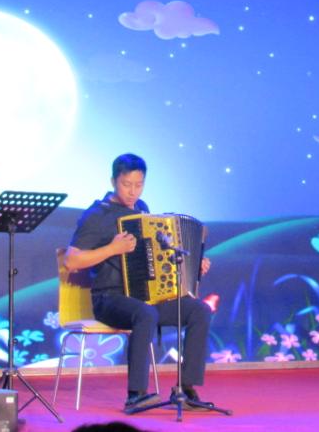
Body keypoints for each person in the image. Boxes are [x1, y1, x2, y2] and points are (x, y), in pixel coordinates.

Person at [65, 153, 213, 414]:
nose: (133, 191)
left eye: (139, 184)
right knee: (145, 313)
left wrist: (193, 262)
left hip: (144, 296)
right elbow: (71, 260)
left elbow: (155, 256)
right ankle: (136, 395)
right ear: (113, 181)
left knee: (198, 310)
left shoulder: (142, 209)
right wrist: (112, 249)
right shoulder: (97, 215)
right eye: (126, 185)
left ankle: (186, 388)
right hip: (109, 298)